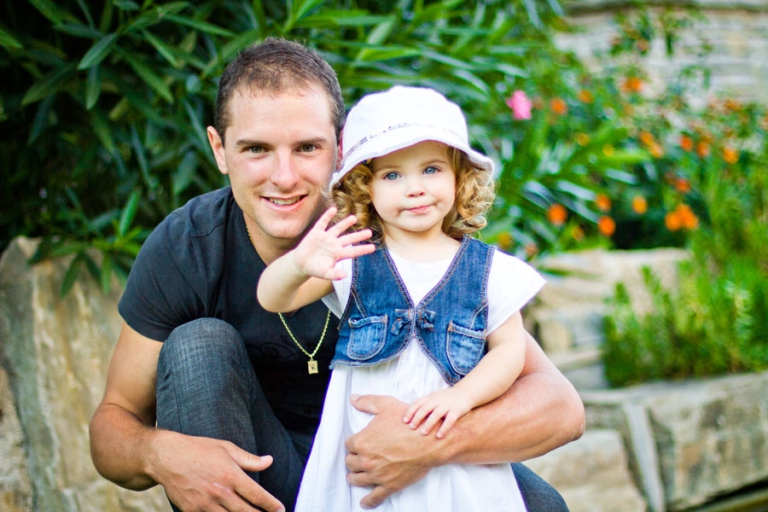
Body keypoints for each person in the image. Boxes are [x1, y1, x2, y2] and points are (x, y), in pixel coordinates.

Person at [89, 37, 585, 512]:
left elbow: (560, 408)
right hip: (261, 474)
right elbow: (113, 422)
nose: (284, 177)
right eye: (256, 149)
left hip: (377, 470)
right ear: (219, 150)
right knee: (198, 344)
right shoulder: (188, 247)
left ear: (342, 147)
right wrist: (159, 454)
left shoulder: (396, 235)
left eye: (307, 147)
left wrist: (427, 444)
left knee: (540, 505)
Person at [257, 85, 546, 511]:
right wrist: (299, 264)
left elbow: (509, 350)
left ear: (458, 177)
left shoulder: (489, 271)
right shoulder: (355, 260)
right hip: (363, 455)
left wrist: (461, 398)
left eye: (431, 169)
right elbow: (274, 298)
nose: (415, 188)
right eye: (392, 175)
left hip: (450, 459)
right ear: (365, 188)